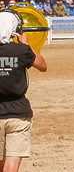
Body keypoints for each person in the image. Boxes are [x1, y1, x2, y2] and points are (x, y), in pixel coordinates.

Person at [0, 10, 47, 172]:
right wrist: (25, 46)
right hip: (18, 112)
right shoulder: (21, 51)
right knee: (11, 163)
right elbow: (43, 66)